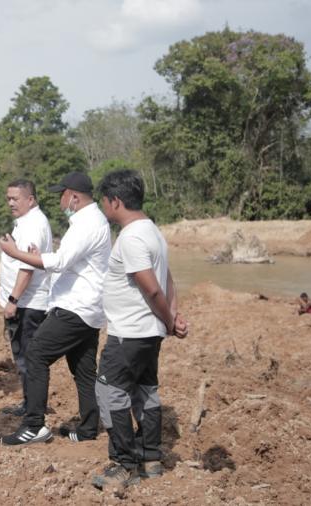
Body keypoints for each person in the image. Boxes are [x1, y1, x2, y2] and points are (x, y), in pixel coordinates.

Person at [90, 170, 188, 495]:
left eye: (105, 202)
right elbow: (167, 278)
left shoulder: (131, 237)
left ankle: (124, 464)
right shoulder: (152, 231)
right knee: (145, 390)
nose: (104, 208)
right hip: (149, 332)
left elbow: (152, 289)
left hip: (129, 333)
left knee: (110, 392)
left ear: (116, 201)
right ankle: (151, 460)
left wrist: (169, 318)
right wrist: (170, 318)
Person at [0, 171, 111, 445]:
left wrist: (17, 254)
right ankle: (87, 429)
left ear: (73, 197)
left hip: (75, 307)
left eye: (62, 194)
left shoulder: (87, 224)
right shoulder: (90, 221)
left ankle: (34, 424)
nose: (59, 200)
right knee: (83, 369)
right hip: (89, 308)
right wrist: (38, 257)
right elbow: (66, 259)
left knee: (36, 355)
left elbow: (59, 261)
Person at [0, 179, 53, 416]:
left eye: (15, 198)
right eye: (8, 198)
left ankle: (33, 410)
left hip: (27, 304)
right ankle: (29, 404)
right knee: (23, 357)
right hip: (24, 302)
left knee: (26, 358)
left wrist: (13, 300)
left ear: (30, 199)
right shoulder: (26, 222)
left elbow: (28, 268)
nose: (10, 203)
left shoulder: (33, 225)